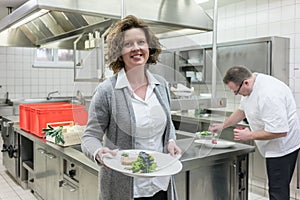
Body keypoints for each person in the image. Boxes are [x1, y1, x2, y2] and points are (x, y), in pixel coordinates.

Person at [81, 15, 182, 200]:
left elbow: (168, 127)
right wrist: (98, 152)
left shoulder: (161, 85)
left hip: (161, 184)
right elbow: (90, 136)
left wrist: (171, 142)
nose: (136, 48)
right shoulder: (107, 91)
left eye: (141, 42)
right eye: (128, 44)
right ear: (119, 52)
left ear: (149, 48)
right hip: (125, 189)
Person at [209, 65, 300, 200]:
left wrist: (250, 135)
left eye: (236, 91)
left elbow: (280, 131)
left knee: (278, 189)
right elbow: (242, 111)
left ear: (245, 82)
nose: (236, 94)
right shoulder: (251, 82)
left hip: (283, 147)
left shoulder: (269, 94)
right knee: (276, 186)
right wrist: (223, 125)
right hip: (273, 144)